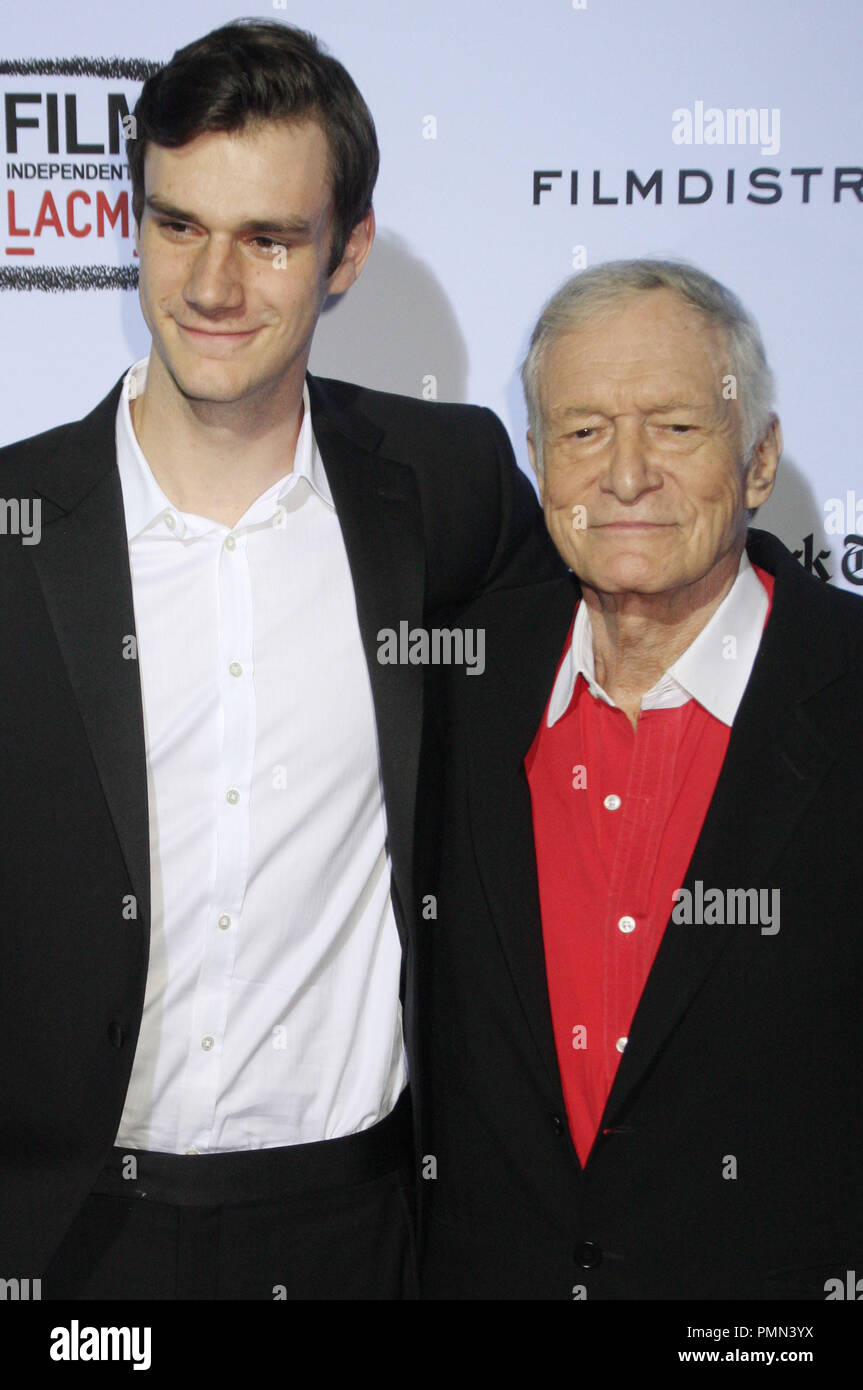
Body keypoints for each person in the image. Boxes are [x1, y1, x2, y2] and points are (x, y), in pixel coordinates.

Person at [0, 19, 558, 1300]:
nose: (211, 286)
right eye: (179, 224)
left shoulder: (449, 487)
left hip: (356, 1227)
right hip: (64, 1236)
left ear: (347, 252)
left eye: (268, 238)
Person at [421, 258, 863, 1299]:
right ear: (534, 463)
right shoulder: (455, 682)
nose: (624, 475)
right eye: (581, 432)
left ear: (758, 461)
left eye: (673, 426)